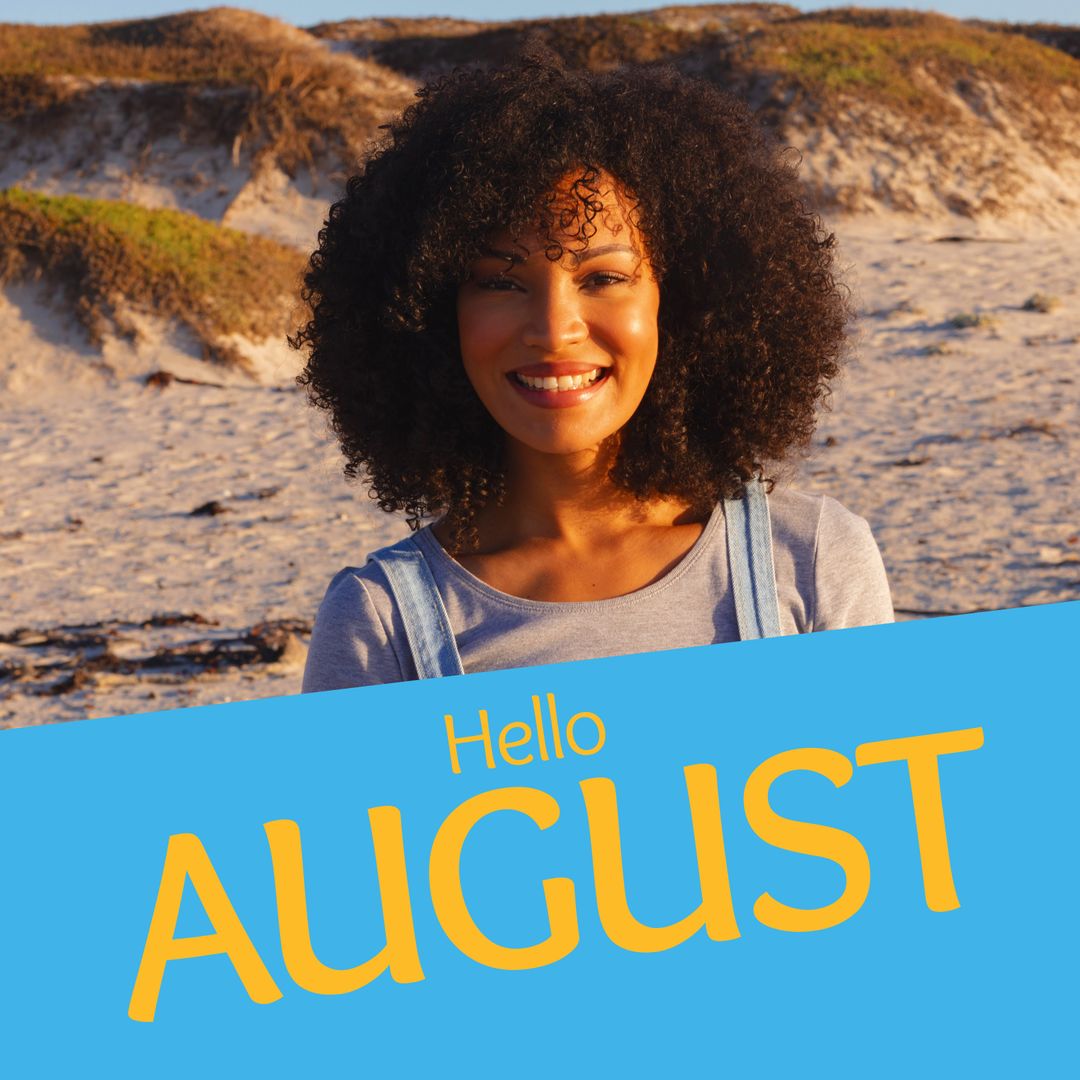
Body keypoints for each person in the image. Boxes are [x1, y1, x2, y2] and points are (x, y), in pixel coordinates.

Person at [292, 52, 893, 692]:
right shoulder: (382, 622)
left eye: (603, 278)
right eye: (499, 282)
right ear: (434, 316)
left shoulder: (812, 558)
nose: (554, 330)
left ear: (682, 301)